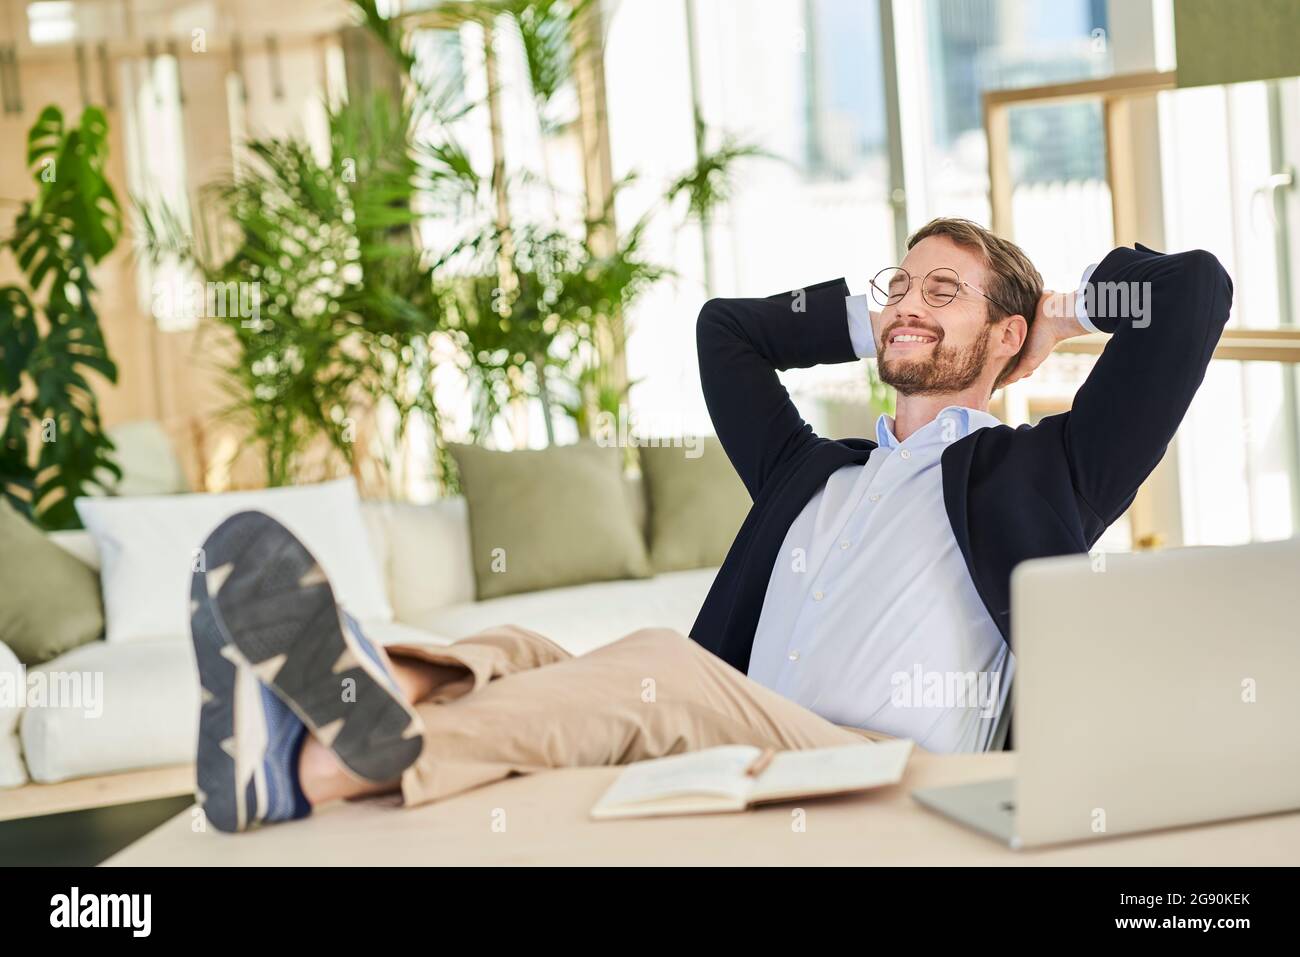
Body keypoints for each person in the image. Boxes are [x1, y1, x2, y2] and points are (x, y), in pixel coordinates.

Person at [191, 218, 1232, 832]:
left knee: (659, 663)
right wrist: (866, 317)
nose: (907, 303)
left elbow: (1192, 295)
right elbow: (723, 331)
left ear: (1004, 331)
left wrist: (1057, 311)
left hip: (874, 766)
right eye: (897, 286)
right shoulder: (812, 469)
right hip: (741, 737)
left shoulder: (1046, 470)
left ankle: (306, 769)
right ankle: (336, 700)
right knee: (520, 646)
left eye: (942, 292)